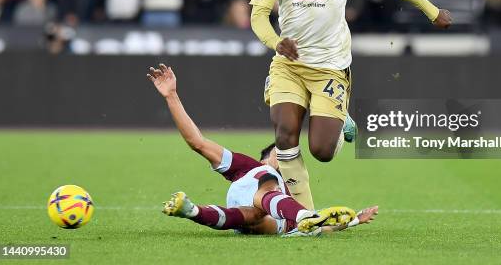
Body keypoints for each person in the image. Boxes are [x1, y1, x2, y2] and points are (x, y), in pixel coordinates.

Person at [249, 0, 452, 209]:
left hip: (330, 67)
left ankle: (341, 116)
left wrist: (431, 10)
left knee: (322, 151)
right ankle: (304, 216)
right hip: (288, 65)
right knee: (286, 134)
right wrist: (277, 42)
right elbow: (258, 15)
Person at [146, 63, 377, 236]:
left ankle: (193, 211)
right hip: (274, 208)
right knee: (265, 192)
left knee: (253, 217)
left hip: (269, 220)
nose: (290, 153)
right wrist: (171, 96)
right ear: (269, 155)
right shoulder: (248, 166)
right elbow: (197, 142)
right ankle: (302, 218)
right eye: (282, 150)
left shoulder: (287, 185)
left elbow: (322, 225)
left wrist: (355, 220)